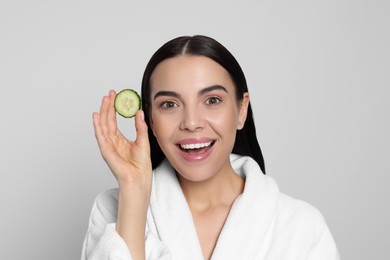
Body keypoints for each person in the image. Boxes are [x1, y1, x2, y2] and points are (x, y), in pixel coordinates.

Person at [81, 35, 340, 260]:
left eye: (212, 100)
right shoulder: (115, 209)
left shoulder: (301, 226)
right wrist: (134, 191)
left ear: (241, 110)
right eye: (169, 104)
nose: (191, 123)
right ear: (150, 119)